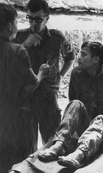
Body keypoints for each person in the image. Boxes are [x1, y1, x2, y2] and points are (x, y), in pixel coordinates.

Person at [0, 2, 50, 173]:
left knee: (2, 160)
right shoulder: (18, 51)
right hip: (18, 117)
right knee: (23, 161)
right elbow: (31, 85)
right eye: (16, 22)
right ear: (9, 26)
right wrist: (41, 73)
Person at [38, 41, 103, 169]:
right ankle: (59, 144)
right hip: (87, 125)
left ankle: (78, 154)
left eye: (83, 54)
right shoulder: (76, 74)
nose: (79, 57)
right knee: (75, 104)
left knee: (101, 119)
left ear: (96, 59)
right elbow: (73, 103)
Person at [15, 0, 75, 150]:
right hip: (26, 96)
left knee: (52, 142)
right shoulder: (19, 36)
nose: (34, 23)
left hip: (48, 96)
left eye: (38, 19)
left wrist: (60, 75)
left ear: (47, 18)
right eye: (30, 18)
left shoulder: (57, 37)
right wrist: (25, 46)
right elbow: (8, 63)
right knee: (27, 145)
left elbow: (69, 58)